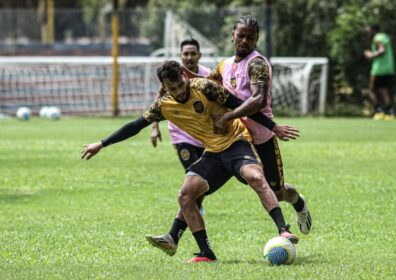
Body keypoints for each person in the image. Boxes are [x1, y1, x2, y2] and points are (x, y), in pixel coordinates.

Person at [82, 60, 300, 262]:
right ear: (164, 87)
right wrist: (101, 144)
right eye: (172, 89)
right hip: (213, 153)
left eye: (179, 85)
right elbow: (134, 126)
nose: (178, 92)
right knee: (185, 195)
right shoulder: (163, 105)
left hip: (237, 142)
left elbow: (238, 104)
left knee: (255, 177)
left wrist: (273, 127)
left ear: (184, 77)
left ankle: (283, 229)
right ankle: (205, 253)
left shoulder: (204, 87)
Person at [146, 16, 311, 257]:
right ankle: (176, 236)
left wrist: (228, 116)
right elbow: (201, 83)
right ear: (232, 34)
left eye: (251, 37)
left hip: (260, 136)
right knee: (194, 189)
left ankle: (298, 203)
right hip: (230, 139)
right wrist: (172, 80)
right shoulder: (224, 65)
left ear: (256, 39)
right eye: (241, 35)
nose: (245, 40)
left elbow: (258, 100)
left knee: (276, 192)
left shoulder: (257, 65)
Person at [151, 38, 210, 216]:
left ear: (199, 55)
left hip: (204, 133)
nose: (189, 57)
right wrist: (155, 126)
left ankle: (193, 204)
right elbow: (159, 100)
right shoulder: (171, 77)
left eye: (193, 53)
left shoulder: (206, 75)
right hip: (181, 134)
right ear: (180, 55)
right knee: (193, 170)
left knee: (203, 174)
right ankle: (191, 207)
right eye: (186, 53)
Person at [364, 24, 396, 120]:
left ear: (373, 30)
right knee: (384, 91)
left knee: (371, 90)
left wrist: (371, 55)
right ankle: (390, 113)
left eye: (368, 30)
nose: (368, 32)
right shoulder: (385, 37)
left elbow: (382, 51)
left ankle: (379, 111)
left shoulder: (377, 38)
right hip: (389, 67)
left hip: (379, 69)